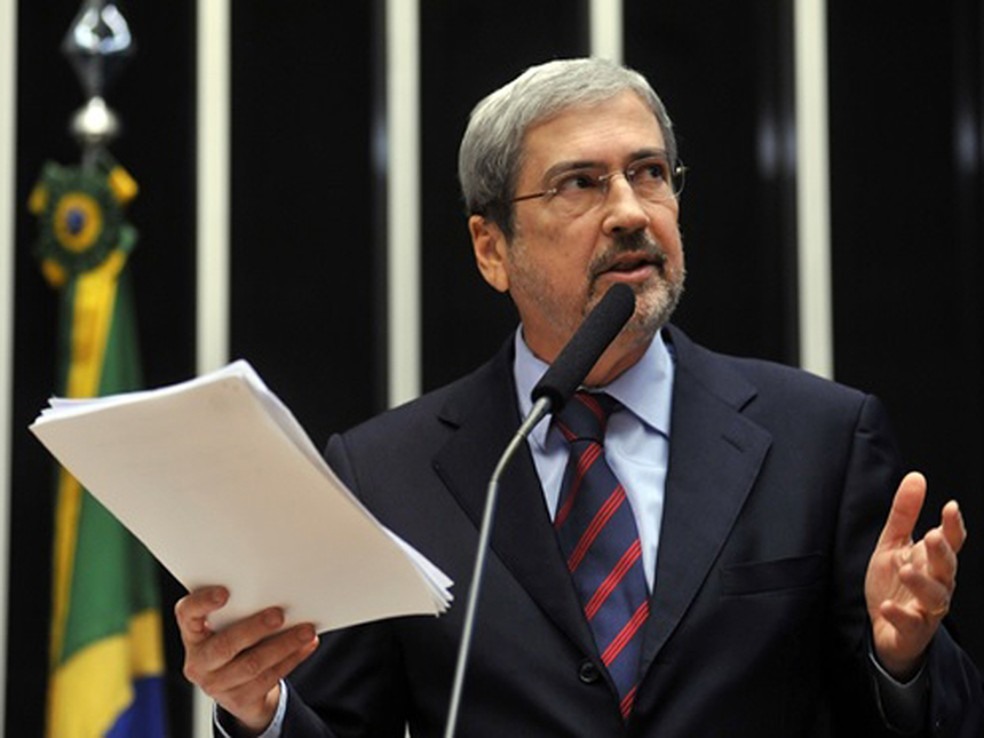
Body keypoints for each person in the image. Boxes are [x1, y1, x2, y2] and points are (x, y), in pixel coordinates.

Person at [176, 57, 983, 737]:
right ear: (492, 248)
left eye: (649, 174)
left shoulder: (823, 440)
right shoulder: (387, 473)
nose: (630, 211)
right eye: (580, 184)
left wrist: (903, 659)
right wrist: (260, 711)